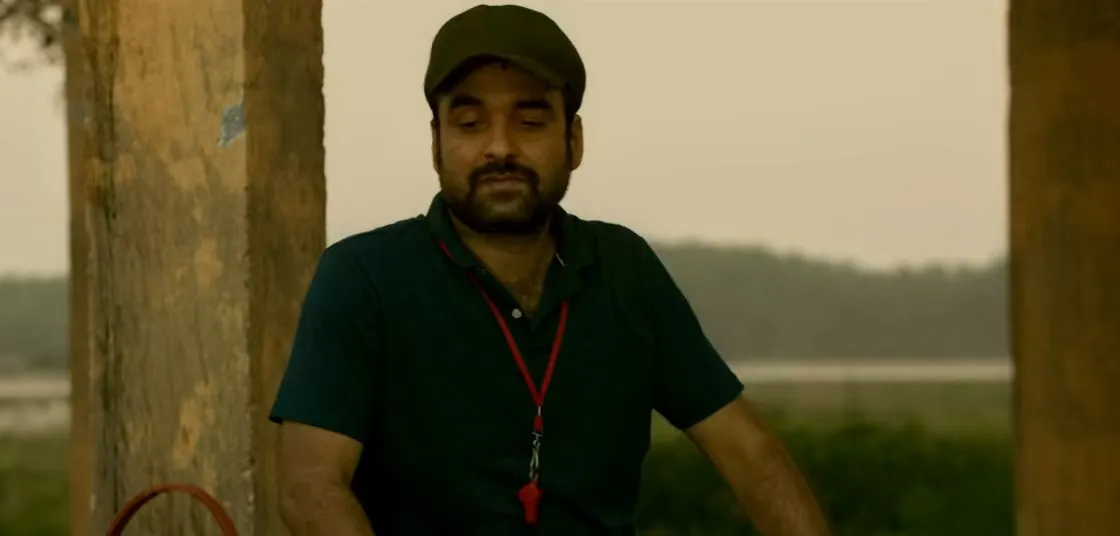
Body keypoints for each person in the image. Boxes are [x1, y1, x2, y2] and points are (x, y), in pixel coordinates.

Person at [271, 4, 831, 535]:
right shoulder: (364, 276)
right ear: (436, 143)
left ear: (574, 140)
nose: (500, 148)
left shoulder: (624, 269)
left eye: (531, 121)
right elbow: (310, 486)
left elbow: (749, 452)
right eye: (470, 123)